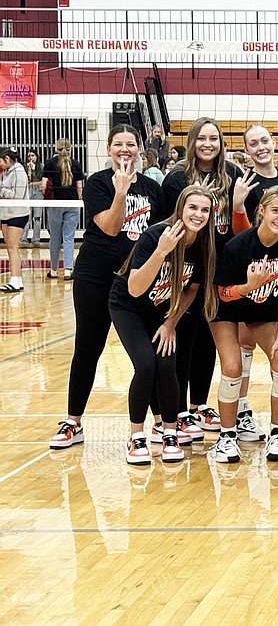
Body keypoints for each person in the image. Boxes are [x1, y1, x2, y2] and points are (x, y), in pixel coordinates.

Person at [49, 125, 166, 449]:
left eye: (131, 144)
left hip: (136, 281)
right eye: (118, 144)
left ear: (140, 149)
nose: (124, 149)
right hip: (95, 276)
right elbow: (112, 227)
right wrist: (120, 191)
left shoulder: (152, 189)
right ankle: (74, 422)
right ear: (108, 149)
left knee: (148, 353)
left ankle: (159, 423)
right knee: (88, 347)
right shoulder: (99, 182)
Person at [110, 185, 218, 464]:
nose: (199, 214)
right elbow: (134, 288)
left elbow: (191, 290)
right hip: (129, 306)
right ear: (180, 208)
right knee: (146, 364)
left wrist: (171, 323)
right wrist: (161, 252)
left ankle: (169, 432)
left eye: (205, 210)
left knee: (168, 364)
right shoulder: (156, 236)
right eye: (193, 207)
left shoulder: (204, 243)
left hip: (161, 311)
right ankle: (136, 437)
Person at [161, 117, 246, 436]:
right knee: (184, 335)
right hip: (187, 269)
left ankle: (199, 405)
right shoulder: (175, 179)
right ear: (192, 141)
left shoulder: (233, 175)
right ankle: (180, 409)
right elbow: (168, 224)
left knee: (210, 339)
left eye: (214, 138)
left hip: (222, 269)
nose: (208, 144)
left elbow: (242, 223)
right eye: (202, 138)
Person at [211, 186, 278, 464]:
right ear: (262, 211)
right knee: (232, 367)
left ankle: (277, 433)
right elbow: (223, 294)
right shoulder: (238, 245)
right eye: (276, 211)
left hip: (263, 313)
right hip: (227, 312)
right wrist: (249, 286)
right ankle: (227, 437)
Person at [41, 138, 84, 280]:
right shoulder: (76, 164)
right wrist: (78, 201)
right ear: (70, 148)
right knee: (68, 237)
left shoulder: (49, 163)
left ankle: (53, 270)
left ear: (56, 148)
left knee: (54, 237)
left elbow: (43, 185)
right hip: (72, 204)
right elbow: (79, 188)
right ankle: (68, 270)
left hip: (55, 204)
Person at [0, 148, 30, 292]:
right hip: (6, 214)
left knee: (13, 248)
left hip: (17, 214)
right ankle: (15, 279)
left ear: (6, 158)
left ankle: (16, 280)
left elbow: (17, 195)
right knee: (10, 248)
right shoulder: (7, 171)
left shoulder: (18, 171)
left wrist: (0, 191)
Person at [23, 149, 43, 246]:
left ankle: (36, 239)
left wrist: (34, 171)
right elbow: (25, 181)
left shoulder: (41, 167)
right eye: (29, 156)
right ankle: (24, 239)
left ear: (36, 156)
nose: (30, 158)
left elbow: (43, 181)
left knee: (37, 216)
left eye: (32, 155)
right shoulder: (25, 167)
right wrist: (29, 171)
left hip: (38, 191)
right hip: (28, 191)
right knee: (27, 215)